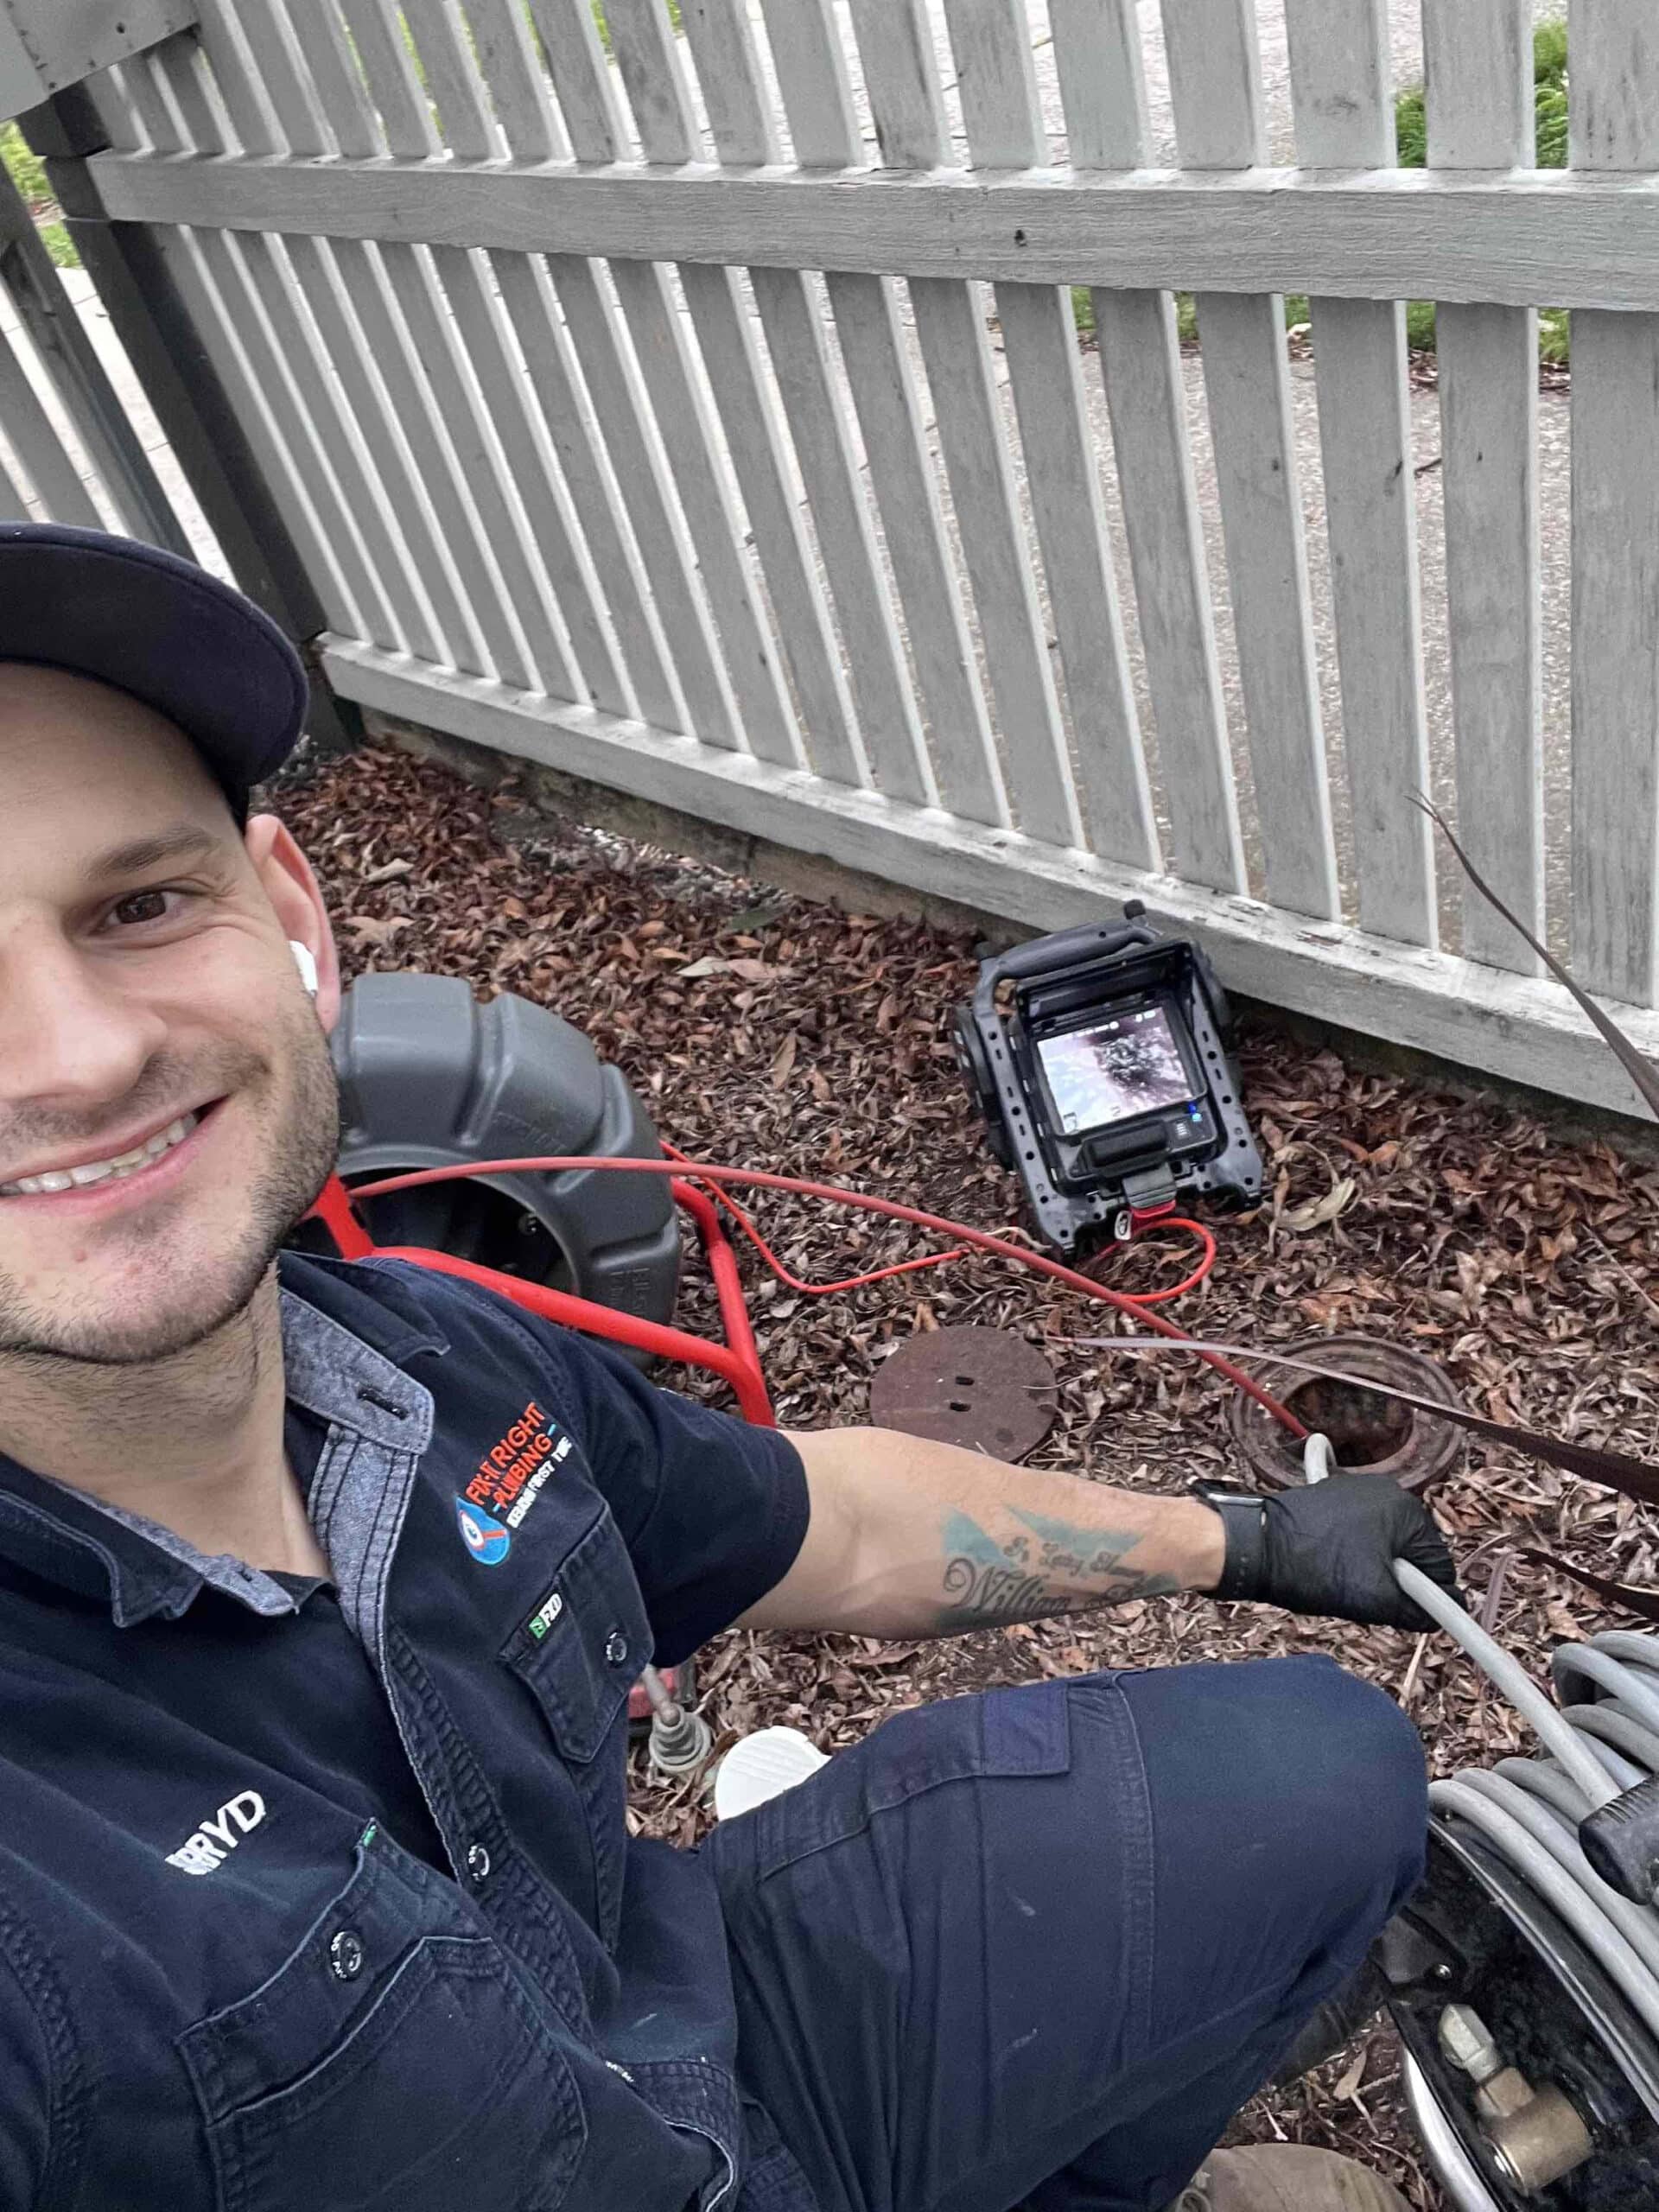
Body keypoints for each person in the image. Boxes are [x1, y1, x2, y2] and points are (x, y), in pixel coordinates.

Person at [0, 521, 1457, 2212]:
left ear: (293, 919)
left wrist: (1241, 1537)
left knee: (1323, 1773)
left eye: (139, 902)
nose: (83, 1049)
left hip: (700, 2032)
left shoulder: (434, 1358)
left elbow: (829, 1522)